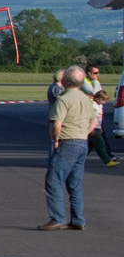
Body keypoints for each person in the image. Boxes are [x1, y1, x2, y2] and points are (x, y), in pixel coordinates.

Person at [42, 66, 94, 230]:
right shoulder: (86, 99)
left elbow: (57, 124)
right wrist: (84, 133)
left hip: (67, 142)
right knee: (75, 183)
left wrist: (55, 140)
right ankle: (78, 219)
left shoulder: (63, 100)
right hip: (81, 142)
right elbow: (94, 121)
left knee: (53, 180)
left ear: (65, 81)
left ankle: (57, 218)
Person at [82, 74, 119, 167]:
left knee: (91, 145)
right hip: (94, 129)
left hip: (97, 127)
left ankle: (78, 158)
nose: (104, 102)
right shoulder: (93, 105)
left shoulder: (99, 105)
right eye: (103, 100)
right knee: (100, 145)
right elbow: (88, 117)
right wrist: (91, 128)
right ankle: (107, 161)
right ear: (98, 98)